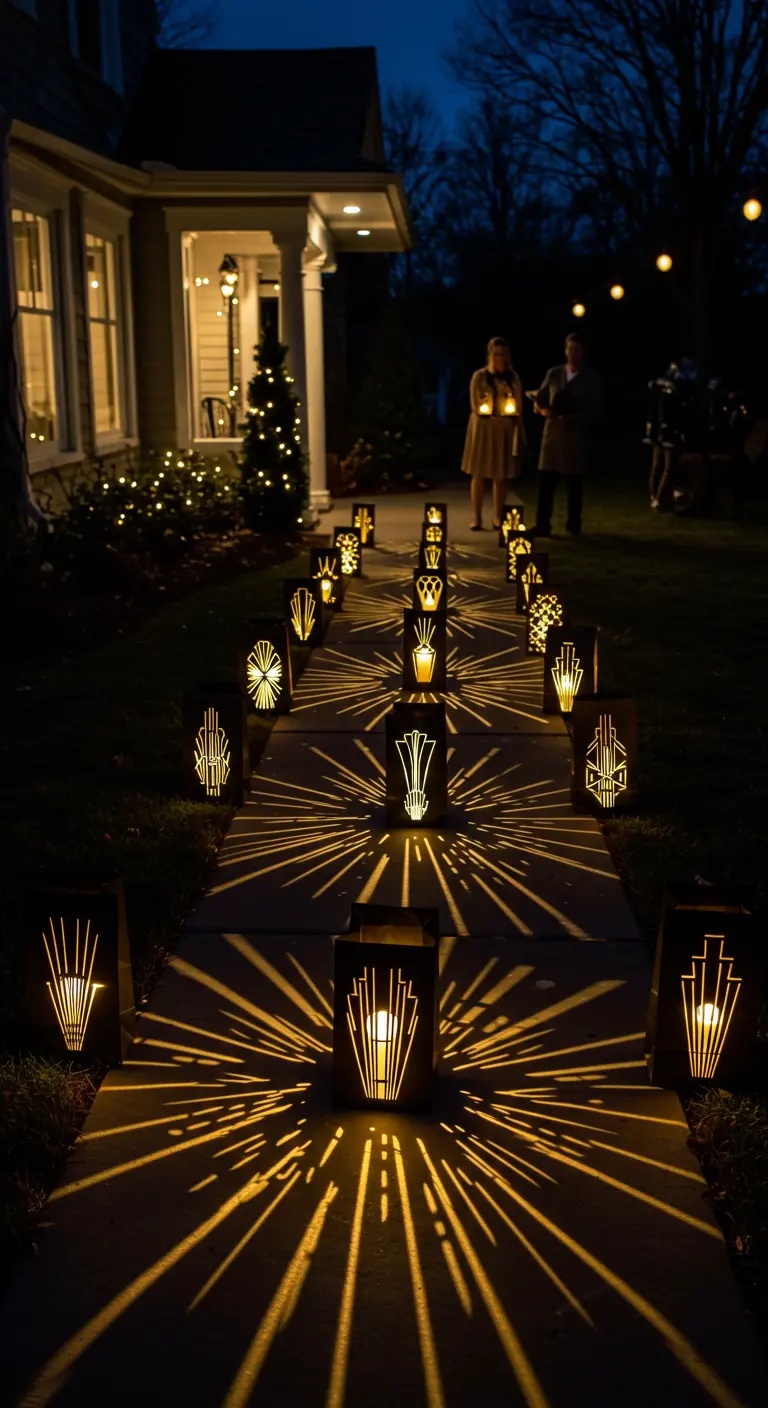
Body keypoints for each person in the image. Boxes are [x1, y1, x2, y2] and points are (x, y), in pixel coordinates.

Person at [533, 332, 603, 536]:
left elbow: (596, 410)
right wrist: (542, 409)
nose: (573, 353)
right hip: (553, 436)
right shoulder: (554, 374)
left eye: (577, 350)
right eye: (570, 349)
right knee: (546, 483)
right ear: (565, 350)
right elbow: (541, 398)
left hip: (575, 438)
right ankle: (543, 524)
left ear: (583, 352)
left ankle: (574, 525)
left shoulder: (591, 379)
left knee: (574, 486)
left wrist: (575, 417)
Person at [461, 337, 525, 530]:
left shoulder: (512, 378)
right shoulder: (479, 376)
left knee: (500, 475)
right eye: (496, 354)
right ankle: (476, 517)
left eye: (503, 354)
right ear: (490, 355)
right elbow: (474, 403)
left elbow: (518, 405)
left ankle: (498, 516)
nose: (499, 358)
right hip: (482, 428)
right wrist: (483, 410)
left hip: (503, 428)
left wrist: (515, 424)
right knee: (479, 473)